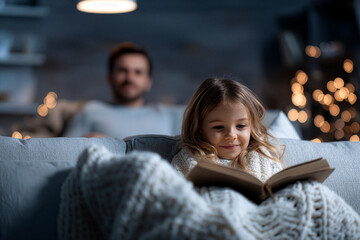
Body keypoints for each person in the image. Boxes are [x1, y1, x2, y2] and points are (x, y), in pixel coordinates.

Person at [58, 78, 360, 239]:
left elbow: (279, 190)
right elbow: (178, 194)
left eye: (240, 127)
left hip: (267, 218)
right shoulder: (191, 156)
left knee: (313, 195)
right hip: (213, 211)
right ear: (200, 128)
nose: (232, 136)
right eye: (219, 128)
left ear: (251, 126)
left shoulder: (262, 154)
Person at [62, 42, 184, 138]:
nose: (130, 78)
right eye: (122, 71)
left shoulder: (169, 115)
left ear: (149, 82)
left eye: (138, 72)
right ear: (110, 78)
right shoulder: (90, 111)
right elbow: (63, 156)